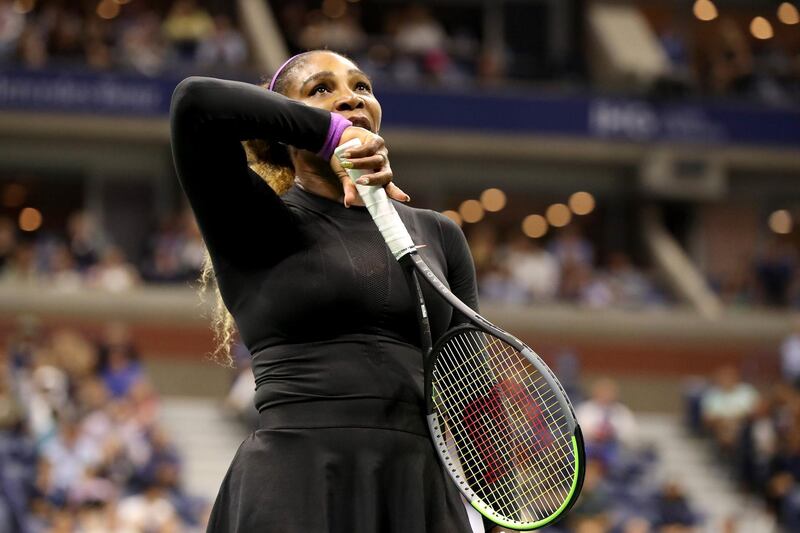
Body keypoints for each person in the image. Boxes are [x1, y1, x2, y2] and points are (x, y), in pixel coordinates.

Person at [170, 50, 491, 532]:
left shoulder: (440, 233)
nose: (350, 98)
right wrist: (336, 135)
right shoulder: (256, 220)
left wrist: (499, 516)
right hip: (296, 483)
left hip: (417, 491)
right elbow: (195, 103)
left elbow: (472, 398)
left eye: (362, 87)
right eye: (321, 89)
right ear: (285, 124)